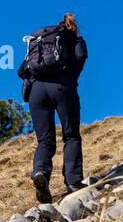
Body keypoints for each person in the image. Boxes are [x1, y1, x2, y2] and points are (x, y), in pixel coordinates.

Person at [19, 12, 88, 203]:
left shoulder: (39, 42)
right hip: (62, 88)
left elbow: (21, 70)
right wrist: (71, 77)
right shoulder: (73, 38)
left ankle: (40, 172)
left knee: (44, 141)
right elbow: (82, 56)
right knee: (71, 135)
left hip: (36, 91)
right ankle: (73, 181)